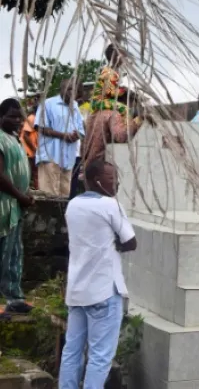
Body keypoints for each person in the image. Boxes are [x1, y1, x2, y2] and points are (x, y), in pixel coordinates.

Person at [59, 159, 136, 389]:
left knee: (71, 351)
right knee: (100, 357)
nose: (117, 183)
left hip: (77, 291)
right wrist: (115, 243)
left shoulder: (72, 205)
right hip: (103, 291)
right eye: (112, 179)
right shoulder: (110, 205)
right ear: (97, 181)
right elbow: (131, 242)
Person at [0, 99, 34, 315]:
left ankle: (14, 297)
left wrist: (25, 194)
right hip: (5, 206)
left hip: (15, 206)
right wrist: (20, 196)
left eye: (19, 117)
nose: (17, 121)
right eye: (11, 116)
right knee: (3, 254)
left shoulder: (13, 138)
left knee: (13, 254)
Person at [35, 80, 85, 197]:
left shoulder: (75, 106)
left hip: (69, 158)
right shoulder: (48, 104)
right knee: (49, 195)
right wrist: (63, 135)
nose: (71, 93)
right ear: (61, 89)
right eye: (69, 89)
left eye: (75, 90)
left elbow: (81, 129)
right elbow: (40, 127)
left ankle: (60, 216)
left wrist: (76, 135)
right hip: (50, 155)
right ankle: (48, 216)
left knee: (64, 196)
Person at [81, 88, 143, 169]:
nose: (130, 109)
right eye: (131, 105)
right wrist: (138, 120)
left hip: (88, 162)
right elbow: (121, 136)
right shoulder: (114, 114)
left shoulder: (95, 113)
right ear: (125, 101)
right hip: (101, 165)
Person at [20, 96, 39, 190]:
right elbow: (25, 135)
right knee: (29, 174)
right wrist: (34, 150)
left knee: (36, 173)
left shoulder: (39, 119)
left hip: (33, 151)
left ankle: (36, 191)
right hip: (28, 151)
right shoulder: (32, 118)